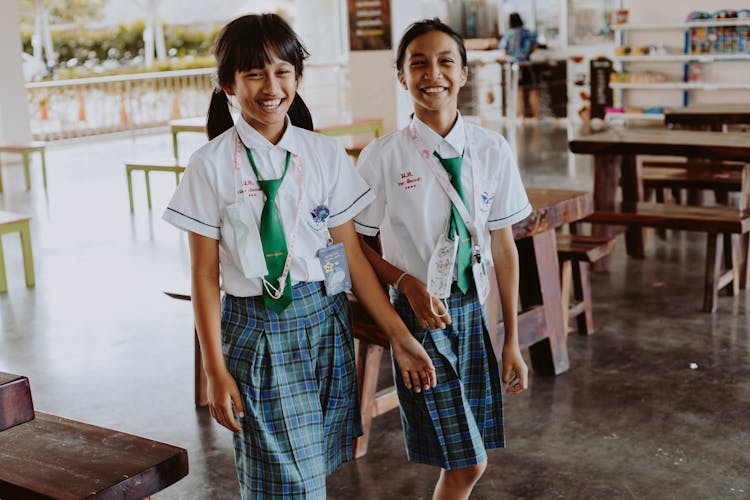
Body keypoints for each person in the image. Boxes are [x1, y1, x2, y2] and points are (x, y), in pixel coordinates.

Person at [162, 13, 435, 499]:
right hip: (257, 328)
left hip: (325, 327)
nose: (271, 86)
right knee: (284, 483)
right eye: (254, 73)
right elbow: (204, 275)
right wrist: (213, 369)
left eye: (283, 71)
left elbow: (348, 253)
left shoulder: (323, 155)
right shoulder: (209, 165)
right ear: (228, 84)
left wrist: (398, 335)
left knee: (311, 472)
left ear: (298, 78)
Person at [354, 18, 531, 500]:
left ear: (465, 73)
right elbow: (355, 247)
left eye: (446, 61)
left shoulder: (492, 150)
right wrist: (406, 282)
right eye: (418, 64)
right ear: (402, 77)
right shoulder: (382, 157)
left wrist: (510, 340)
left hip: (472, 310)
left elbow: (503, 246)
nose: (434, 74)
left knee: (467, 456)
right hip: (416, 320)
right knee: (468, 461)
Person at [499, 12, 541, 120]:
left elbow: (504, 51)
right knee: (533, 90)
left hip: (514, 66)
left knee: (519, 92)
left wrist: (514, 54)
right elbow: (536, 45)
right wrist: (527, 53)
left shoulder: (508, 34)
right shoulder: (527, 32)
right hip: (527, 64)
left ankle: (521, 116)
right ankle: (537, 116)